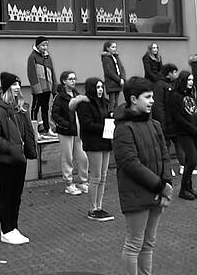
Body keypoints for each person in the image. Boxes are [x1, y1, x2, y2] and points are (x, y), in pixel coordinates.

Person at [113, 77, 173, 275]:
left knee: (148, 244)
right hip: (137, 195)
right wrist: (159, 186)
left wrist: (166, 185)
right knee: (134, 245)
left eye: (152, 97)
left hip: (157, 193)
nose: (152, 101)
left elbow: (165, 156)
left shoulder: (154, 124)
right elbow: (130, 163)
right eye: (147, 97)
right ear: (133, 99)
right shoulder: (123, 128)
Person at [0, 72, 37, 245]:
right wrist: (13, 149)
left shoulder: (20, 108)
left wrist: (29, 148)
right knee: (7, 194)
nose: (18, 88)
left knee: (17, 195)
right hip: (6, 160)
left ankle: (13, 227)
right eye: (14, 85)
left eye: (19, 84)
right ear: (7, 87)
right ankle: (6, 230)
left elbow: (27, 131)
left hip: (20, 159)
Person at [77, 77, 115, 221]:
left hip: (105, 141)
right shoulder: (85, 105)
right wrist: (106, 127)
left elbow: (108, 118)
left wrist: (111, 120)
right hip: (93, 143)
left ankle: (99, 206)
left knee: (104, 176)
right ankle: (93, 208)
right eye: (97, 87)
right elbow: (87, 125)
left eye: (101, 87)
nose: (100, 90)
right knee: (95, 176)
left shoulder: (104, 102)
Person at [52, 71, 89, 196]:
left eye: (74, 78)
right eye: (70, 79)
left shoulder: (77, 95)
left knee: (83, 156)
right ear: (64, 81)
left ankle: (83, 181)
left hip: (78, 131)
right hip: (66, 131)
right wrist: (66, 125)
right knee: (67, 157)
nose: (73, 81)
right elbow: (55, 115)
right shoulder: (59, 97)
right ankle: (69, 183)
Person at [165, 71, 197, 200]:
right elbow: (178, 117)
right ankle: (183, 189)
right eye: (189, 79)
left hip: (193, 131)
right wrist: (192, 128)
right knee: (193, 159)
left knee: (191, 160)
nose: (191, 82)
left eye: (192, 79)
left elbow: (193, 113)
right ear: (183, 80)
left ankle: (189, 186)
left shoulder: (191, 95)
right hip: (183, 132)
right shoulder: (175, 96)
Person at [154, 64, 184, 175]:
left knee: (180, 144)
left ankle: (183, 165)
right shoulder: (159, 85)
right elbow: (159, 105)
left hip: (176, 121)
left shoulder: (175, 84)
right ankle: (168, 168)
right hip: (166, 122)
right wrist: (162, 123)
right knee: (165, 146)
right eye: (174, 72)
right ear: (169, 73)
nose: (176, 74)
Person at [27, 36, 56, 136]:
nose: (45, 47)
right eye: (43, 45)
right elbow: (32, 74)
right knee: (35, 108)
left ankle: (48, 129)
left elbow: (52, 72)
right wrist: (37, 89)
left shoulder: (48, 57)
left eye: (46, 45)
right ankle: (34, 131)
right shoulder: (32, 57)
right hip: (39, 89)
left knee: (45, 108)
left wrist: (54, 87)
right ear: (38, 45)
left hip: (48, 87)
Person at [102, 40, 126, 107]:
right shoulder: (106, 58)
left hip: (118, 82)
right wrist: (118, 80)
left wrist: (123, 78)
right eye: (113, 47)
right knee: (112, 102)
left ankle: (116, 115)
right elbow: (108, 71)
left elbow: (121, 68)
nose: (115, 49)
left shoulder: (116, 57)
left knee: (116, 102)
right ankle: (111, 114)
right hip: (112, 83)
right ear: (107, 48)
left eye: (115, 47)